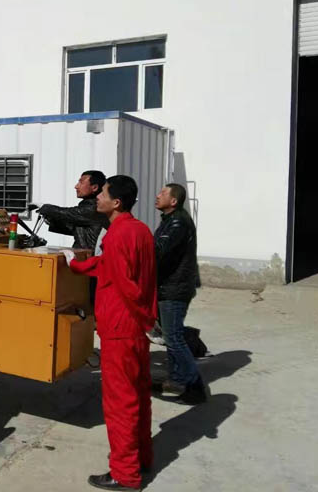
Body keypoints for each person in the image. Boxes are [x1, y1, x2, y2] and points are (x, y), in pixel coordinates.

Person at [62, 175, 156, 492]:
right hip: (135, 331)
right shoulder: (140, 230)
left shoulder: (117, 235)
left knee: (120, 403)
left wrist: (144, 320)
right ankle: (142, 457)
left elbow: (127, 285)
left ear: (116, 202)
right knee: (139, 396)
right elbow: (114, 268)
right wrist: (79, 265)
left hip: (120, 328)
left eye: (101, 193)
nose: (97, 198)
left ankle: (125, 474)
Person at [152, 183, 207, 405]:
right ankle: (176, 380)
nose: (158, 196)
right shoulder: (170, 219)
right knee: (171, 336)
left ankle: (195, 387)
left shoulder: (177, 223)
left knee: (174, 338)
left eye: (163, 193)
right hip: (170, 286)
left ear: (173, 201)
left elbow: (157, 250)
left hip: (174, 289)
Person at [38, 170, 110, 250]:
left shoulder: (95, 207)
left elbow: (69, 213)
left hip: (91, 256)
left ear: (95, 187)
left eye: (81, 182)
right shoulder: (88, 206)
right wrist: (52, 221)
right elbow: (78, 230)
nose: (76, 186)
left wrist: (43, 207)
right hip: (83, 254)